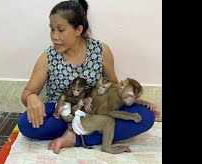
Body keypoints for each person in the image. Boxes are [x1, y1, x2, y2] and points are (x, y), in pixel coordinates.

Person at [18, 0, 161, 154]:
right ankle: (81, 132)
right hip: (64, 114)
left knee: (146, 117)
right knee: (25, 124)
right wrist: (31, 98)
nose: (54, 36)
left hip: (96, 113)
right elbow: (27, 92)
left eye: (60, 30)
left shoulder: (101, 51)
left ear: (78, 30)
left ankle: (75, 138)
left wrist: (141, 102)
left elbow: (115, 88)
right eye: (52, 29)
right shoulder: (48, 58)